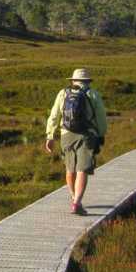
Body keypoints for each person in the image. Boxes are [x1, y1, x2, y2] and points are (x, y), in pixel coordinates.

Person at [44, 68, 107, 215]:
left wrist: (50, 136)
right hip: (87, 135)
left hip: (67, 135)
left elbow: (54, 116)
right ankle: (77, 202)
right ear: (88, 82)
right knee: (82, 169)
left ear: (73, 81)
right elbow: (101, 118)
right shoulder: (93, 94)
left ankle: (73, 197)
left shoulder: (63, 93)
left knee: (69, 168)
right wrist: (101, 134)